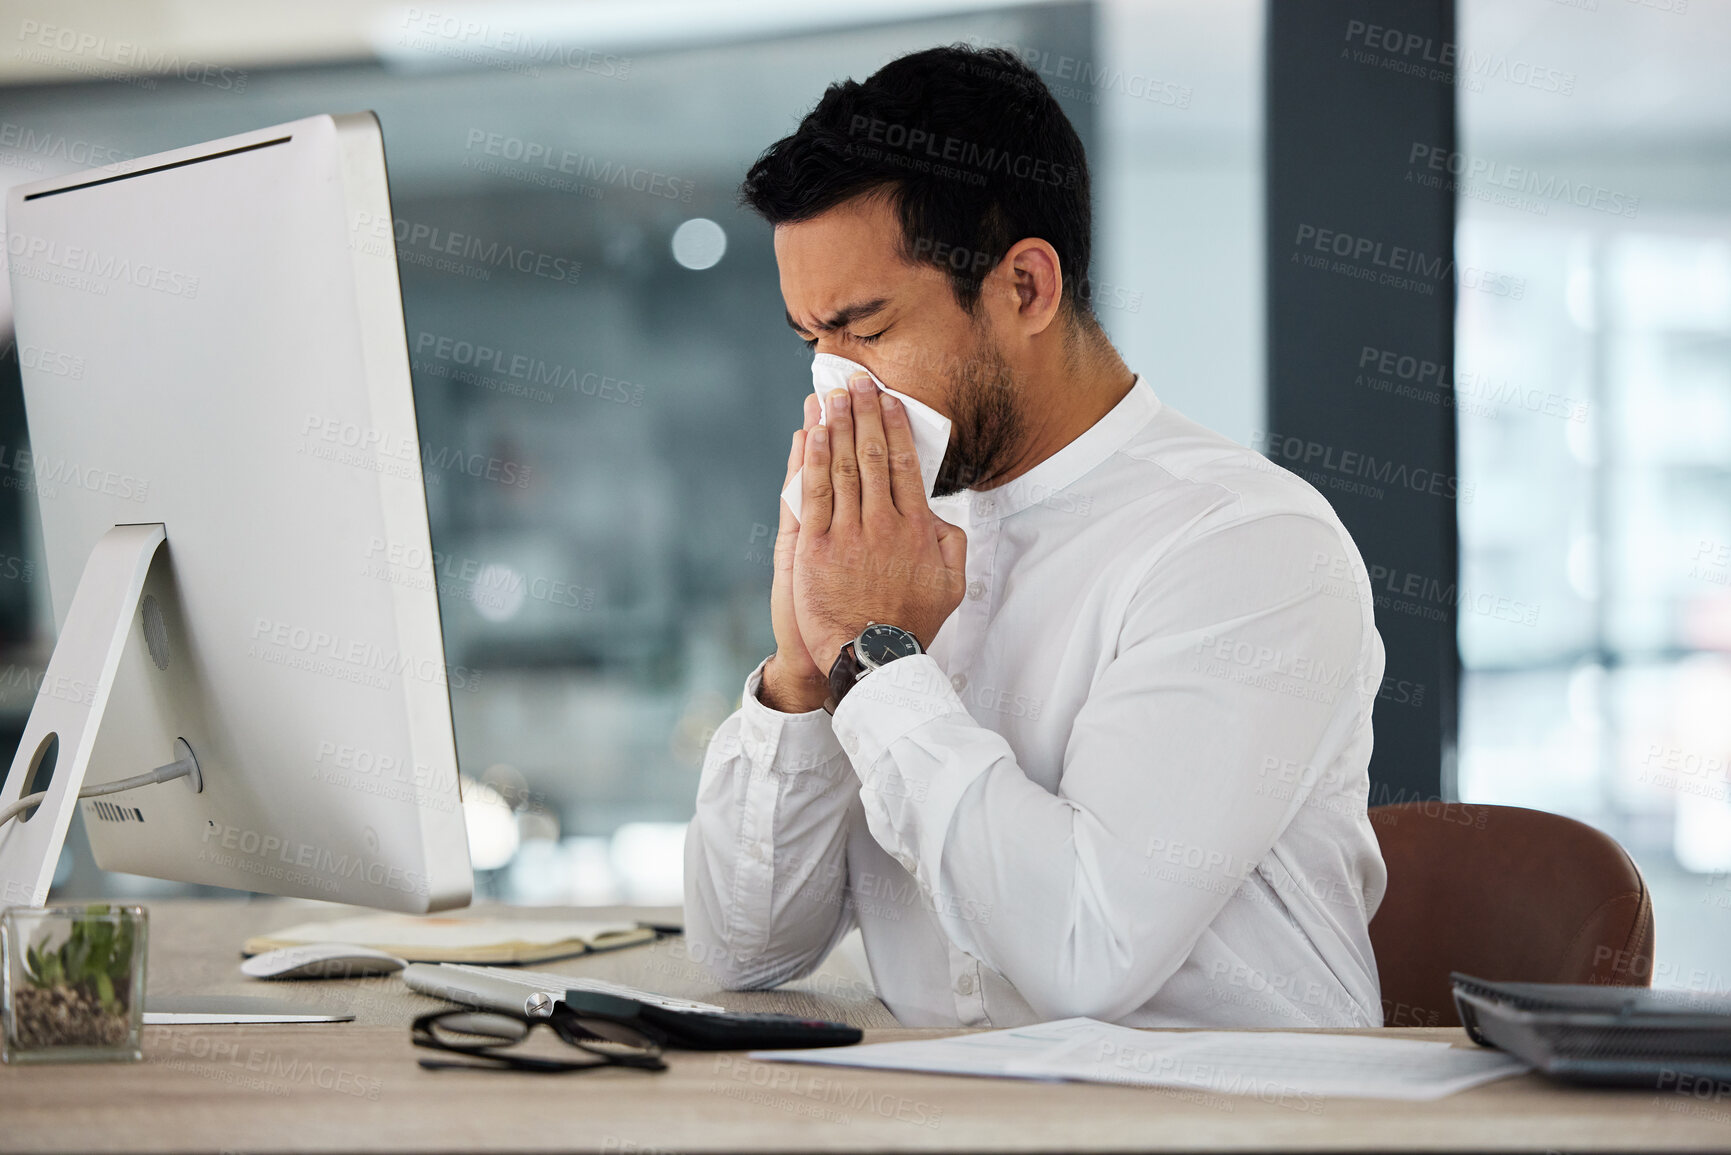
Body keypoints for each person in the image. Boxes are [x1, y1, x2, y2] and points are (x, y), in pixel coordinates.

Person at [683, 44, 1388, 1028]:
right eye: (815, 344)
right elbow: (744, 953)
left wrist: (875, 660)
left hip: (1231, 1121)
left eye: (868, 330)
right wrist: (804, 673)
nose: (836, 392)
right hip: (946, 1121)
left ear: (1025, 289)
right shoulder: (891, 550)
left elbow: (1086, 953)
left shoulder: (1246, 546)